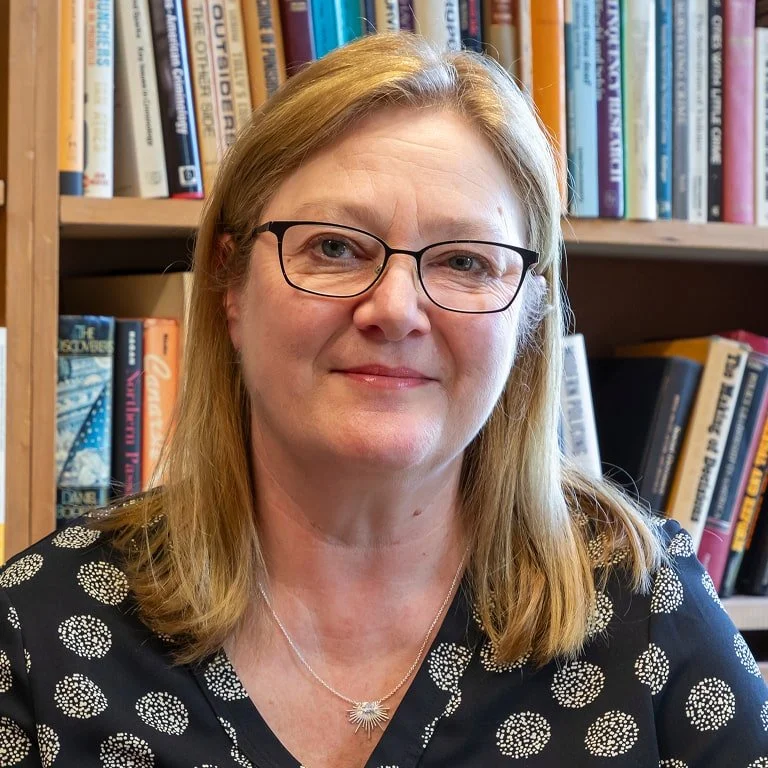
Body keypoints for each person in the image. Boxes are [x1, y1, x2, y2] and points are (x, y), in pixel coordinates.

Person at [1, 32, 766, 768]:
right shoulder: (41, 626)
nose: (395, 309)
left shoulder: (645, 606)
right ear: (230, 288)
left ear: (528, 316)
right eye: (334, 247)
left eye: (466, 260)